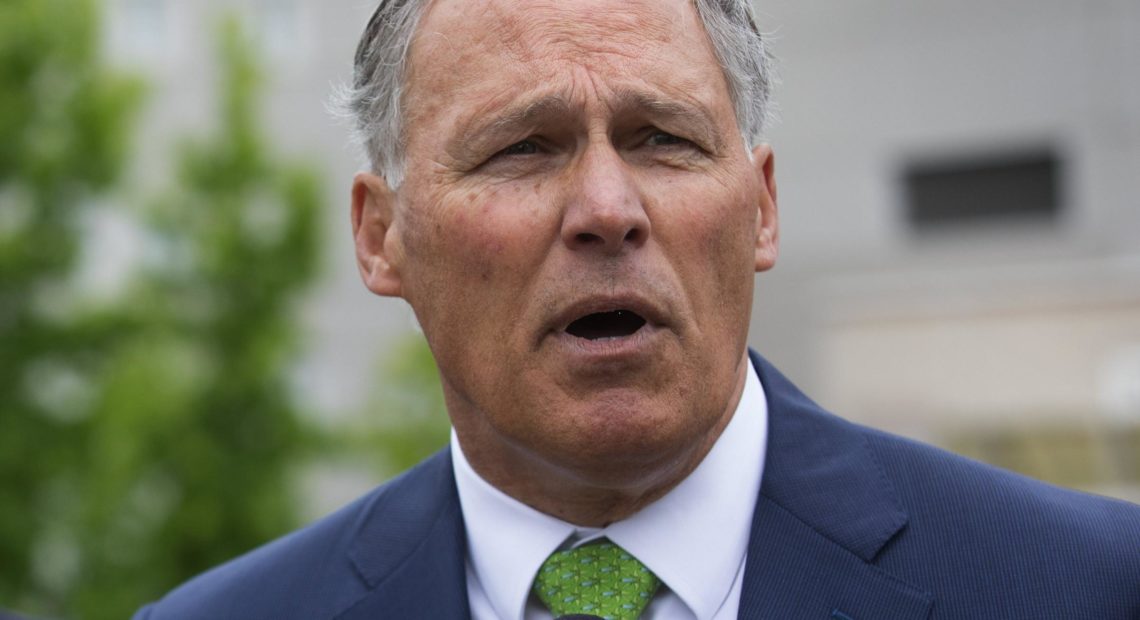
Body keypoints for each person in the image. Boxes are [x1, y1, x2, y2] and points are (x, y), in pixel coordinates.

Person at [134, 0, 1140, 618]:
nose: (608, 210)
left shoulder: (1084, 588)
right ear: (380, 235)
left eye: (663, 138)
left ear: (763, 208)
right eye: (523, 147)